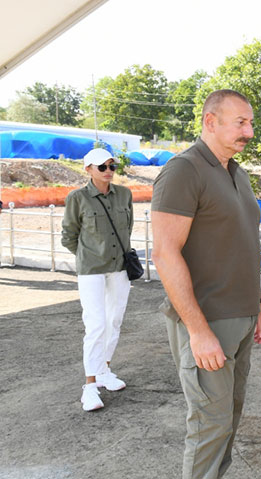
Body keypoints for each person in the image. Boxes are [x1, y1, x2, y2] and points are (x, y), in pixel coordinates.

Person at [151, 89, 261, 479]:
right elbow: (165, 253)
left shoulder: (237, 173)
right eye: (240, 123)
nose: (249, 132)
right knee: (209, 426)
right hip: (207, 322)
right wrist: (199, 331)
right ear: (210, 121)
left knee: (228, 419)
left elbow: (242, 243)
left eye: (250, 123)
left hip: (241, 317)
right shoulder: (183, 170)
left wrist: (258, 304)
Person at [61, 148, 133, 411]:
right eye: (102, 167)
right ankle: (89, 386)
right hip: (91, 269)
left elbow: (128, 228)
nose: (108, 171)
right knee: (96, 324)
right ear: (88, 169)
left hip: (119, 267)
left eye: (112, 166)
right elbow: (69, 235)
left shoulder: (124, 194)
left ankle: (104, 370)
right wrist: (88, 255)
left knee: (114, 320)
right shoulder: (77, 198)